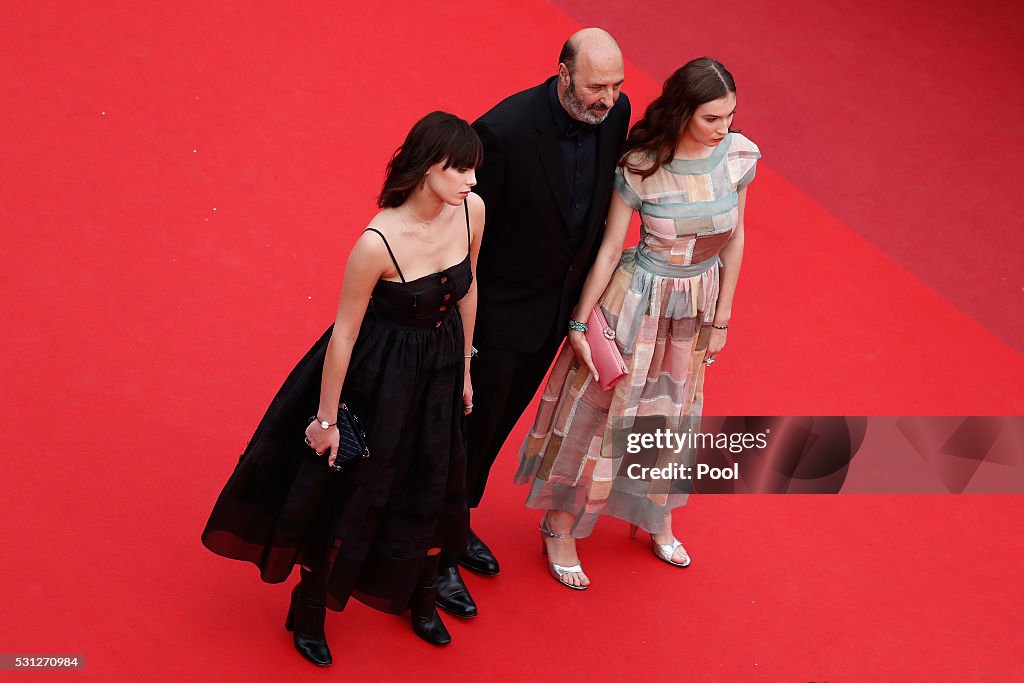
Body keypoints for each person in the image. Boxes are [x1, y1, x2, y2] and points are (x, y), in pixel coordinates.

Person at [201, 111, 485, 665]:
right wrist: (326, 420)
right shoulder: (378, 242)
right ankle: (310, 603)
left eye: (475, 170)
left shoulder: (471, 210)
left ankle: (421, 593)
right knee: (350, 492)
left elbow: (468, 288)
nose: (472, 181)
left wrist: (467, 367)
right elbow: (345, 333)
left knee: (433, 480)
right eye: (461, 169)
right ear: (429, 168)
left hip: (442, 367)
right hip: (380, 377)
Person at [514, 57, 760, 589]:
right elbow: (610, 249)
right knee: (601, 413)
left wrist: (723, 317)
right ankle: (559, 526)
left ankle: (654, 514)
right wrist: (580, 323)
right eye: (712, 118)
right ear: (683, 111)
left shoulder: (739, 156)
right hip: (637, 303)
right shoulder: (642, 165)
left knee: (672, 412)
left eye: (730, 115)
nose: (724, 127)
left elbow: (736, 238)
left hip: (695, 305)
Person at [434, 28, 631, 617]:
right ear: (563, 73)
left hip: (553, 318)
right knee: (464, 433)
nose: (608, 98)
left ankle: (455, 525)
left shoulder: (615, 115)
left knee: (493, 432)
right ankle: (433, 555)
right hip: (495, 318)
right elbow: (460, 230)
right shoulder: (503, 130)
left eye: (617, 85)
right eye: (596, 86)